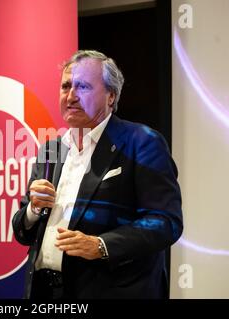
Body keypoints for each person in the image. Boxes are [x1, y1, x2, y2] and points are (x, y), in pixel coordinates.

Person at [12, 50, 183, 299]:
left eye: (83, 86)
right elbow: (22, 232)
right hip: (45, 292)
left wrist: (101, 246)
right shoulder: (50, 150)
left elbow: (166, 222)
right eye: (66, 86)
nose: (71, 96)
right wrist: (33, 210)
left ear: (111, 96)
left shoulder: (141, 143)